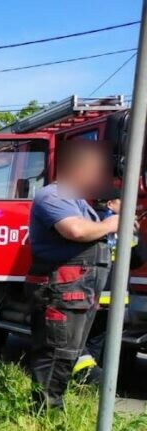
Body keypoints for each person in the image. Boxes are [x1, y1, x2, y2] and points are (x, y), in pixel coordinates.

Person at [26, 140, 118, 410]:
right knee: (56, 354)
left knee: (68, 355)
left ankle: (51, 411)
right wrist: (111, 223)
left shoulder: (79, 201)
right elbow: (75, 231)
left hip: (77, 292)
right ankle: (44, 415)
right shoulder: (53, 195)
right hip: (61, 290)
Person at [72, 187, 144, 384]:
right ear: (111, 203)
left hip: (88, 295)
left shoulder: (88, 222)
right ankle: (86, 384)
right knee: (95, 343)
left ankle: (83, 382)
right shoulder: (120, 226)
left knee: (80, 342)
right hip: (111, 298)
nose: (130, 207)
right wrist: (135, 236)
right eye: (124, 202)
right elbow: (139, 260)